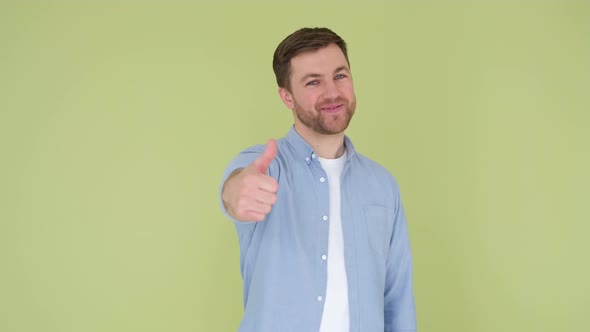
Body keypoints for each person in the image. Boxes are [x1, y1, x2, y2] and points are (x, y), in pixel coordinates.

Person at [219, 27, 416, 332]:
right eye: (313, 82)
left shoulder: (383, 185)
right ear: (287, 96)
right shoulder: (265, 168)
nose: (332, 92)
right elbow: (234, 191)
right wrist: (237, 193)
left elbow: (397, 299)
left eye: (340, 75)